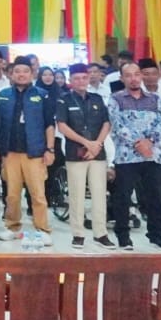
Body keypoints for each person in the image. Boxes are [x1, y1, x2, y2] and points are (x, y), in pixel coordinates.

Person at [107, 63, 161, 250]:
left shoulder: (154, 99)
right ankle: (123, 236)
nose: (133, 78)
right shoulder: (116, 99)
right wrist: (139, 144)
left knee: (156, 197)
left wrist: (149, 142)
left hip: (153, 155)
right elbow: (117, 125)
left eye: (136, 74)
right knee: (123, 197)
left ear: (141, 76)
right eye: (128, 75)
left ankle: (156, 235)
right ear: (122, 78)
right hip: (127, 156)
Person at [0, 56, 56, 245]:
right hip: (10, 152)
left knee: (38, 194)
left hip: (35, 152)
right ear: (11, 74)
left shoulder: (42, 95)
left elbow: (49, 124)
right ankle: (12, 227)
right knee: (12, 194)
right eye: (17, 71)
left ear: (32, 74)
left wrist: (50, 149)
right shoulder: (4, 95)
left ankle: (42, 229)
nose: (21, 75)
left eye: (25, 71)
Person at [56, 63, 115, 249]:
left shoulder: (97, 98)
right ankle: (78, 234)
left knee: (99, 194)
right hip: (76, 153)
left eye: (84, 78)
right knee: (76, 194)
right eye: (76, 78)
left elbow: (106, 123)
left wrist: (97, 144)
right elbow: (62, 126)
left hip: (97, 153)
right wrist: (86, 143)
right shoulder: (64, 100)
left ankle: (100, 233)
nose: (81, 81)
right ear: (70, 80)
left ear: (88, 79)